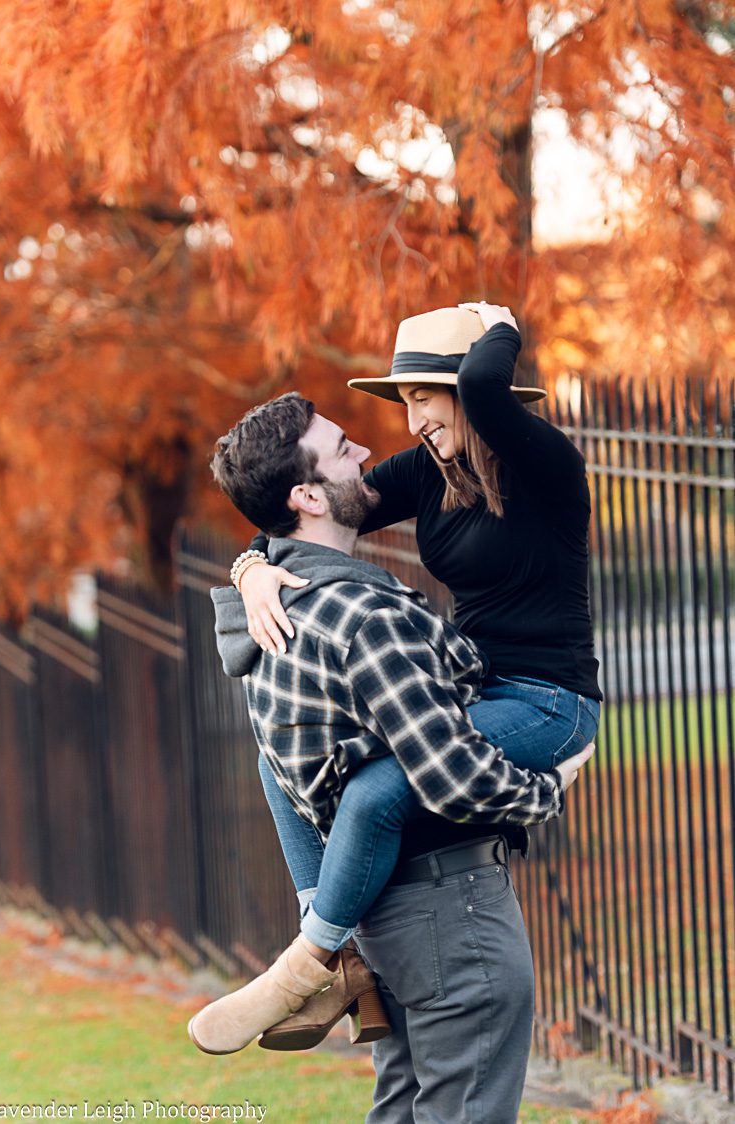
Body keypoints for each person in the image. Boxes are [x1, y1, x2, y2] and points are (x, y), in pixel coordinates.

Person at [189, 390, 594, 1123]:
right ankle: (308, 959)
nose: (368, 452)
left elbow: (277, 769)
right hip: (449, 915)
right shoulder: (366, 616)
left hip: (379, 922)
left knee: (401, 1110)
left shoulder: (273, 618)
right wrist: (546, 792)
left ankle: (319, 945)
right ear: (307, 493)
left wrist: (251, 565)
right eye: (344, 448)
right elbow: (448, 770)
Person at [232, 302, 601, 974]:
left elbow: (491, 389)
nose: (413, 422)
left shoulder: (546, 467)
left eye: (425, 397)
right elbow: (307, 502)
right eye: (405, 402)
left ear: (466, 390)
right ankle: (334, 942)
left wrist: (502, 325)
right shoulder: (428, 475)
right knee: (278, 755)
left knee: (377, 789)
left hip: (548, 700)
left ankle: (311, 962)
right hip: (475, 694)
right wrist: (252, 567)